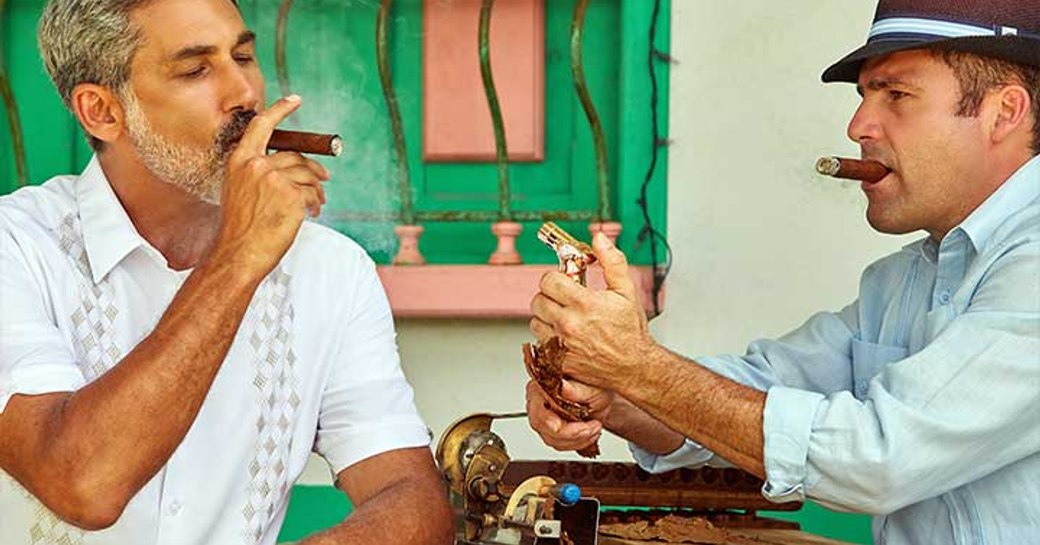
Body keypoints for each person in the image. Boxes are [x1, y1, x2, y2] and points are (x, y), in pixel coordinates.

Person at [525, 1, 1039, 543]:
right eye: (863, 96)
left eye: (897, 95)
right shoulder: (903, 280)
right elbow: (764, 386)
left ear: (1003, 112)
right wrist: (615, 394)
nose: (858, 125)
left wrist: (637, 368)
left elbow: (880, 456)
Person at [0, 1, 452, 544]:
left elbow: (413, 500)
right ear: (101, 111)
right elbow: (82, 485)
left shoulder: (330, 270)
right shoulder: (17, 248)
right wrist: (239, 257)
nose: (244, 93)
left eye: (243, 56)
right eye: (195, 69)